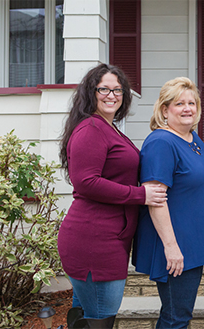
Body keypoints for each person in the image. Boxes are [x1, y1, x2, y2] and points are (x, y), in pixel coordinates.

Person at [57, 64, 167, 329]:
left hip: (108, 239)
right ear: (91, 92)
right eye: (104, 89)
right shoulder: (91, 129)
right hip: (94, 241)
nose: (111, 95)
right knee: (100, 320)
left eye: (118, 90)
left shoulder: (109, 128)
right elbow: (86, 182)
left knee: (85, 316)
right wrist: (141, 195)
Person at [132, 77, 204, 329]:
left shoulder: (191, 139)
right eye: (179, 104)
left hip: (193, 243)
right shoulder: (161, 142)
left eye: (191, 103)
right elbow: (155, 199)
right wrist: (171, 248)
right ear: (165, 110)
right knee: (176, 318)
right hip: (176, 248)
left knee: (179, 314)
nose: (187, 108)